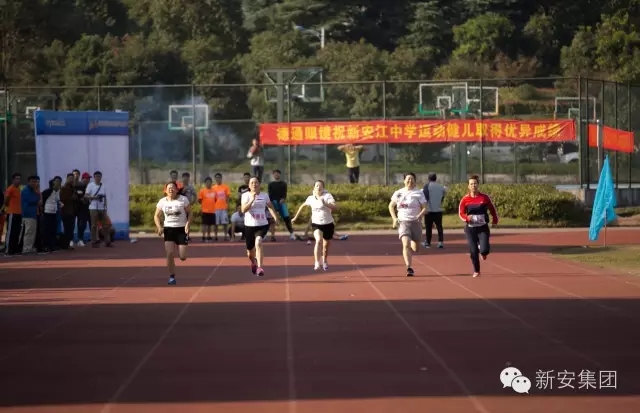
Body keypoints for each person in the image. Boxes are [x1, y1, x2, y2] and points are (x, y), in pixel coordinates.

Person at [291, 180, 338, 271]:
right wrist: (295, 217)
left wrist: (325, 204)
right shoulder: (311, 198)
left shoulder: (327, 196)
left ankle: (324, 260)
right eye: (317, 186)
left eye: (320, 186)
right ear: (314, 188)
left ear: (323, 188)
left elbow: (334, 207)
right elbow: (302, 206)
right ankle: (317, 262)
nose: (318, 187)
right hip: (316, 224)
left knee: (325, 246)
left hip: (328, 223)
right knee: (318, 240)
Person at [458, 175, 499, 278]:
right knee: (473, 251)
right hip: (470, 229)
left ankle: (483, 252)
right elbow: (461, 213)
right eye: (471, 184)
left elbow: (492, 209)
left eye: (475, 183)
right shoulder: (465, 199)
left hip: (483, 228)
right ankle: (476, 270)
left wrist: (495, 219)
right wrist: (467, 218)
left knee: (485, 250)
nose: (473, 185)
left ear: (478, 185)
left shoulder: (484, 198)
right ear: (468, 186)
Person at [388, 172, 427, 277]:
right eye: (408, 179)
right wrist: (394, 218)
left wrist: (420, 215)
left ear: (415, 181)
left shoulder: (419, 193)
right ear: (404, 180)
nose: (410, 181)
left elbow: (425, 207)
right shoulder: (398, 193)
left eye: (412, 179)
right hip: (403, 222)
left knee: (416, 248)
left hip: (416, 222)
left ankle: (414, 241)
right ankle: (409, 267)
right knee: (406, 244)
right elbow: (391, 206)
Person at [154, 181, 192, 285]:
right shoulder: (162, 202)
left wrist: (188, 224)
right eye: (169, 188)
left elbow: (190, 213)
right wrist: (159, 227)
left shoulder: (183, 199)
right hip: (169, 229)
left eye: (173, 188)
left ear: (177, 190)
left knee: (182, 257)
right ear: (165, 191)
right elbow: (156, 216)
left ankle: (182, 251)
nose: (171, 189)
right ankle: (172, 276)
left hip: (181, 229)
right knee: (169, 253)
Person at [240, 176, 278, 277]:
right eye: (252, 183)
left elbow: (270, 206)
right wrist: (252, 200)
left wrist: (275, 217)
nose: (254, 184)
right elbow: (243, 210)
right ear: (249, 185)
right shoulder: (245, 195)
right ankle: (253, 262)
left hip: (262, 224)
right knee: (250, 253)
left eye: (256, 182)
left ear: (259, 184)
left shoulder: (264, 195)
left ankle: (260, 267)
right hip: (249, 226)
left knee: (259, 242)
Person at [85, 171, 112, 248]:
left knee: (105, 225)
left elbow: (105, 197)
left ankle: (107, 241)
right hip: (93, 207)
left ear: (101, 177)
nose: (98, 178)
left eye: (99, 176)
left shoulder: (103, 186)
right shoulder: (90, 185)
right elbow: (86, 196)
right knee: (94, 225)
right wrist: (94, 197)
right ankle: (94, 242)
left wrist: (105, 207)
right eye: (96, 176)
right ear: (94, 177)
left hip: (102, 208)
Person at [267, 169, 295, 241]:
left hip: (281, 203)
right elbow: (269, 194)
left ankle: (292, 234)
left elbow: (284, 193)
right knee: (270, 219)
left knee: (287, 218)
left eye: (278, 173)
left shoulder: (283, 184)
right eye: (275, 173)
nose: (276, 175)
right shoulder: (270, 184)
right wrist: (270, 203)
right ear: (273, 175)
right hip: (273, 203)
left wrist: (283, 199)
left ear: (280, 175)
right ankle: (265, 235)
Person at [422, 173, 446, 248]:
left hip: (429, 210)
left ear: (428, 178)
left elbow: (425, 198)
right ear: (436, 178)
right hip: (438, 210)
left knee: (428, 227)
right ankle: (440, 242)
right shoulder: (441, 187)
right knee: (439, 227)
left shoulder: (426, 186)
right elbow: (443, 197)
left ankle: (428, 242)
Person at [41, 176, 63, 252]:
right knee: (47, 230)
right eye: (56, 182)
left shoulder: (57, 192)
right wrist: (42, 211)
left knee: (53, 229)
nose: (58, 184)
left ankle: (52, 245)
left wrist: (60, 203)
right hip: (47, 213)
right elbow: (42, 201)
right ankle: (46, 245)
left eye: (59, 182)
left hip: (54, 213)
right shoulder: (47, 191)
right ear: (53, 183)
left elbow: (57, 200)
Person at [20, 176, 40, 254]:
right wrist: (37, 194)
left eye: (35, 182)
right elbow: (32, 200)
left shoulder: (32, 190)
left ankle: (30, 247)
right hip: (28, 214)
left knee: (32, 232)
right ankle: (26, 248)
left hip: (32, 213)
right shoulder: (26, 190)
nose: (34, 183)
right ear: (28, 182)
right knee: (29, 232)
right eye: (33, 182)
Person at [4, 173, 23, 255]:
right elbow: (6, 201)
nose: (18, 180)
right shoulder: (10, 188)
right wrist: (10, 207)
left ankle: (14, 249)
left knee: (17, 232)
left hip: (19, 213)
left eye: (19, 179)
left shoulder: (19, 189)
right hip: (12, 213)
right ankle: (8, 250)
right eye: (17, 179)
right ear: (13, 180)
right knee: (10, 232)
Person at [60, 173, 77, 248]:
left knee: (71, 228)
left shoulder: (73, 188)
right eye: (70, 178)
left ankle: (69, 242)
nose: (71, 180)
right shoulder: (64, 188)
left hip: (72, 211)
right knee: (67, 228)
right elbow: (62, 199)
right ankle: (66, 243)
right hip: (65, 211)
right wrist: (71, 198)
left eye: (72, 178)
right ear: (67, 179)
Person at [212, 173, 231, 241]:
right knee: (216, 224)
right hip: (215, 209)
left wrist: (227, 205)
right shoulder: (213, 188)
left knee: (225, 223)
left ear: (221, 178)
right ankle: (215, 236)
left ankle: (225, 236)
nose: (218, 179)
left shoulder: (225, 187)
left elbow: (228, 197)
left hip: (223, 208)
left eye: (219, 177)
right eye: (216, 177)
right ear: (215, 179)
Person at [74, 172, 91, 246]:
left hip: (88, 208)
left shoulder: (89, 186)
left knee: (87, 224)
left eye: (89, 178)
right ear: (82, 178)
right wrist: (83, 199)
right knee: (81, 224)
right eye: (86, 178)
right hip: (80, 208)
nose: (88, 180)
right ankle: (79, 239)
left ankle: (84, 238)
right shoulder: (79, 186)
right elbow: (80, 196)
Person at [198, 176, 216, 242]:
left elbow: (216, 199)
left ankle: (208, 236)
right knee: (204, 224)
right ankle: (203, 236)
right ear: (205, 183)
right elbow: (199, 200)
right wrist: (204, 205)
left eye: (210, 182)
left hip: (212, 210)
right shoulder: (202, 191)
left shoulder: (214, 191)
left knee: (210, 225)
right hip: (205, 210)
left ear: (211, 183)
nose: (208, 183)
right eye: (207, 182)